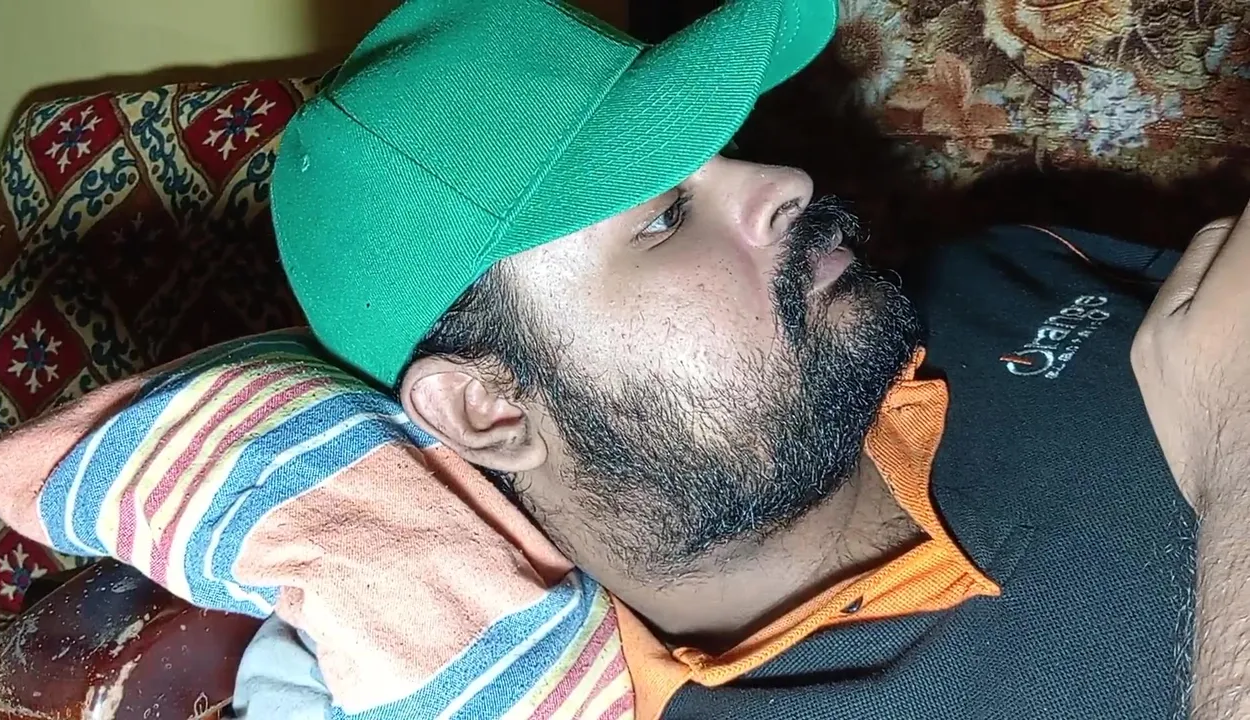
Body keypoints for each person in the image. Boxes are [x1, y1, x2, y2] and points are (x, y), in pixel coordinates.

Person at [234, 0, 1250, 717]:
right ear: (488, 408)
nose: (785, 180)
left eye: (729, 148)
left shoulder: (989, 272)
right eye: (665, 216)